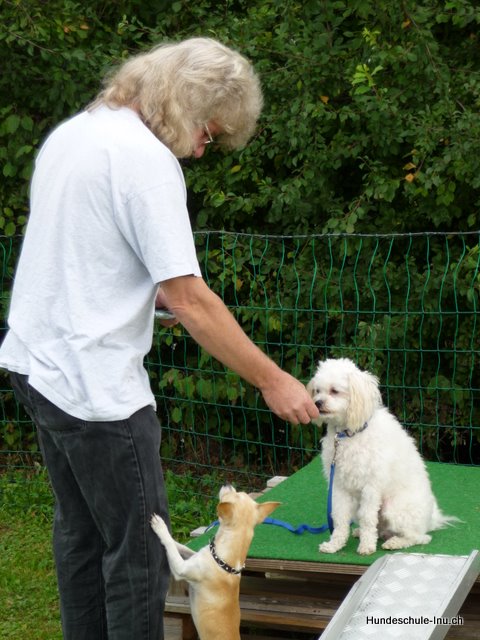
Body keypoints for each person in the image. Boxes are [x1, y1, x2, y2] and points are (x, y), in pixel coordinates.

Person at [0, 37, 319, 640]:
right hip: (96, 391)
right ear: (187, 104)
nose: (201, 148)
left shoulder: (77, 133)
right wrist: (273, 380)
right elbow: (192, 299)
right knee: (140, 553)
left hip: (37, 366)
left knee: (81, 534)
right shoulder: (145, 162)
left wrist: (146, 298)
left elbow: (82, 255)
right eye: (208, 132)